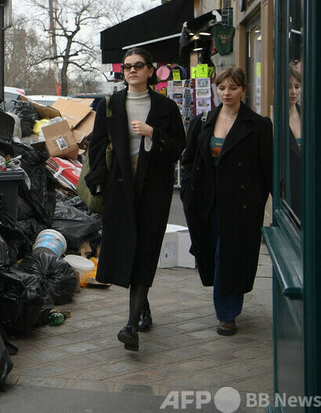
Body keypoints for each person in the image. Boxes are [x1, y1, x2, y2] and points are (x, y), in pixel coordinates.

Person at [85, 47, 186, 351]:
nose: (131, 71)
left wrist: (154, 133)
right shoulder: (111, 105)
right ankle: (142, 307)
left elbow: (179, 148)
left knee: (145, 248)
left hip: (154, 188)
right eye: (127, 67)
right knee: (128, 248)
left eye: (138, 66)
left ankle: (130, 326)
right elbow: (97, 146)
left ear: (150, 70)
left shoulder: (166, 107)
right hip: (119, 189)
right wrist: (98, 183)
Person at [180, 67, 272, 337]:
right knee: (213, 253)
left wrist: (258, 203)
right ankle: (228, 304)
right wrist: (187, 191)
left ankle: (227, 314)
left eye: (233, 88)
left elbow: (267, 169)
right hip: (207, 200)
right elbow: (188, 160)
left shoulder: (258, 124)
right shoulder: (203, 120)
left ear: (243, 89)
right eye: (221, 88)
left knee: (230, 256)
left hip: (241, 204)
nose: (226, 93)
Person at [287, 63, 301, 216]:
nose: (293, 92)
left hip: (308, 188)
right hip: (287, 193)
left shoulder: (308, 116)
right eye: (288, 87)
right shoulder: (273, 119)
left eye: (297, 86)